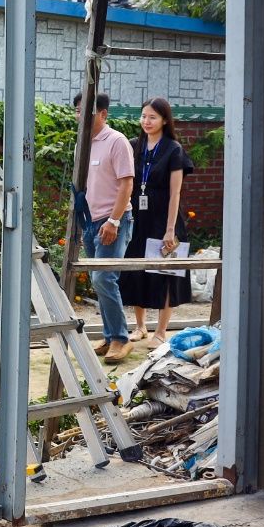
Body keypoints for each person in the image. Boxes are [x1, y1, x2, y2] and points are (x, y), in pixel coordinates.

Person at [118, 97, 195, 347]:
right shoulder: (132, 146)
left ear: (164, 120)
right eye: (143, 116)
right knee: (136, 269)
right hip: (137, 217)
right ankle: (140, 326)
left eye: (152, 117)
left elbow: (176, 193)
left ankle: (161, 331)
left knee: (165, 272)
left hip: (164, 219)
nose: (146, 121)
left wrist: (170, 229)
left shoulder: (173, 149)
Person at [80, 93, 137, 364]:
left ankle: (120, 339)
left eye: (87, 111)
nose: (81, 116)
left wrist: (113, 221)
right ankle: (109, 334)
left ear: (103, 114)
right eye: (78, 111)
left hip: (113, 221)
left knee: (104, 278)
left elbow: (127, 183)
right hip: (90, 221)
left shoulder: (116, 141)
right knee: (97, 280)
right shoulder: (85, 143)